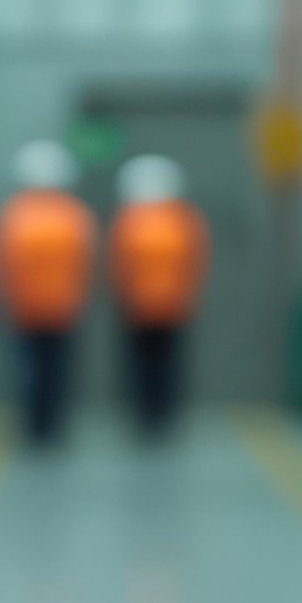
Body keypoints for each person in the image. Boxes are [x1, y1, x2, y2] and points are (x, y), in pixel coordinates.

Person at [0, 141, 93, 448]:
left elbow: (1, 262)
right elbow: (85, 263)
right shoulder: (75, 215)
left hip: (23, 308)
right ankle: (53, 427)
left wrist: (1, 300)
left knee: (28, 370)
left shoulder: (13, 215)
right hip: (63, 308)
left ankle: (33, 427)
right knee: (57, 370)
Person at [106, 155, 209, 439]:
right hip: (173, 308)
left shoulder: (128, 222)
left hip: (136, 308)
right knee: (167, 368)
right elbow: (195, 263)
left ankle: (144, 418)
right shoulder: (184, 221)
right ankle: (163, 418)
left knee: (139, 369)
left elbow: (119, 265)